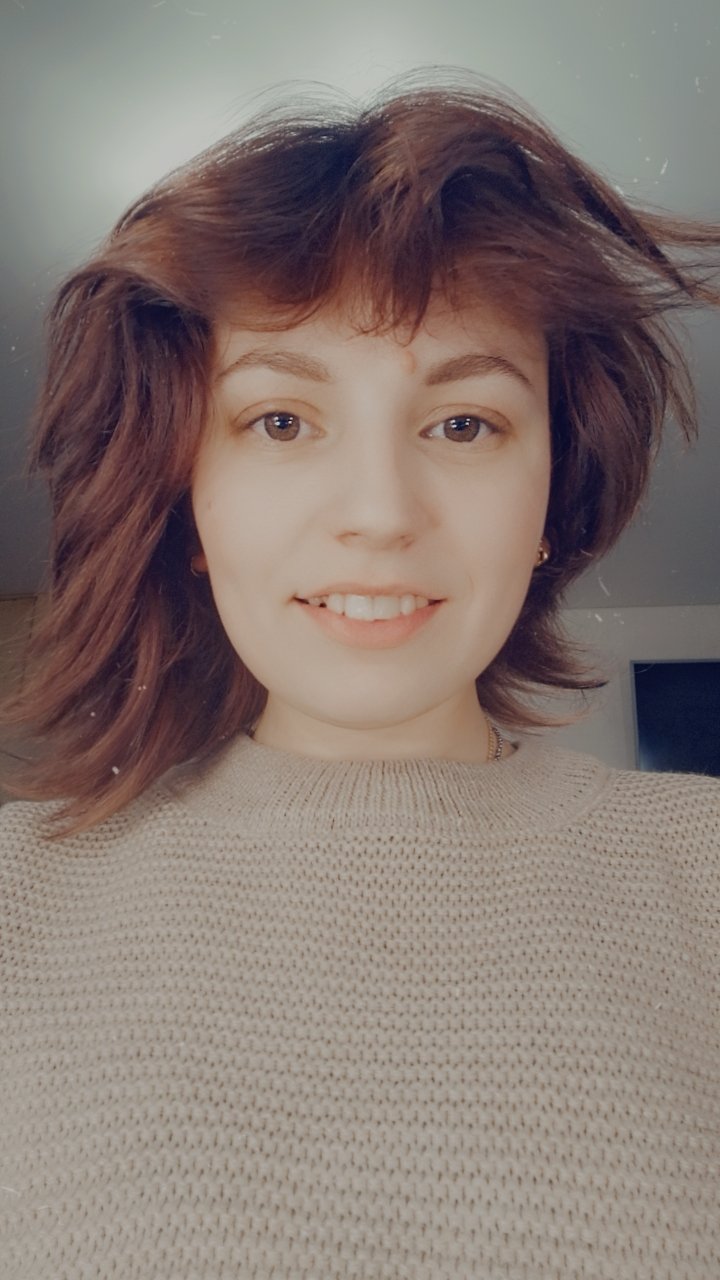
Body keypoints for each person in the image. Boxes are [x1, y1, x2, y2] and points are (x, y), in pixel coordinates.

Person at [1, 69, 718, 1279]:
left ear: (552, 497)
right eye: (282, 421)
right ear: (185, 496)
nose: (381, 512)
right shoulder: (17, 899)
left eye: (463, 424)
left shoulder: (704, 877)